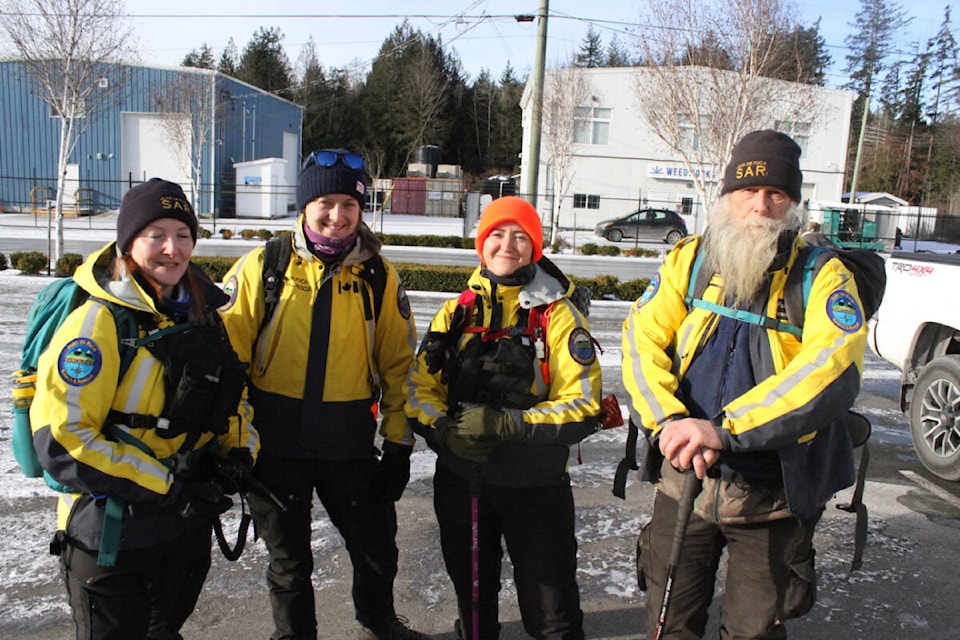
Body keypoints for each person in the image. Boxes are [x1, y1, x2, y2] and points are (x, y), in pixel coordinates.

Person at [621, 130, 868, 639]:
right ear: (727, 196)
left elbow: (830, 369)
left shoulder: (822, 277)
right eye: (747, 191)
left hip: (772, 497)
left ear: (794, 204)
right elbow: (641, 339)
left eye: (776, 193)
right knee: (668, 626)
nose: (761, 205)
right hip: (683, 479)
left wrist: (724, 430)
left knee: (752, 633)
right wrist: (668, 420)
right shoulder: (689, 261)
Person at [31, 178, 258, 640]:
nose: (172, 249)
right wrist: (169, 488)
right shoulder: (97, 323)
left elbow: (235, 401)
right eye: (156, 234)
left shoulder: (204, 314)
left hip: (182, 527)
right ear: (128, 243)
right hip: (112, 534)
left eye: (183, 234)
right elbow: (64, 438)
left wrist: (237, 453)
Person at [218, 149, 426, 640]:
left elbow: (399, 366)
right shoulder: (263, 266)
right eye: (325, 203)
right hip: (274, 445)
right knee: (289, 560)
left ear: (361, 210)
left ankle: (377, 621)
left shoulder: (378, 275)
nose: (337, 215)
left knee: (375, 546)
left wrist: (397, 444)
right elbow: (226, 365)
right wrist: (233, 442)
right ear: (304, 206)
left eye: (349, 205)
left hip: (347, 443)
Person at [405, 196, 603, 640]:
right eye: (496, 233)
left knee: (552, 616)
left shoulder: (558, 314)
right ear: (482, 242)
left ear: (534, 246)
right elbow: (420, 388)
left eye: (520, 235)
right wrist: (443, 431)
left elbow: (584, 404)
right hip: (463, 482)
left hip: (535, 488)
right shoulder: (458, 310)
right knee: (474, 606)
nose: (507, 244)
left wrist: (508, 424)